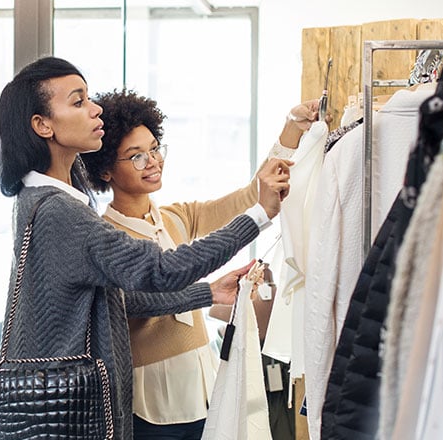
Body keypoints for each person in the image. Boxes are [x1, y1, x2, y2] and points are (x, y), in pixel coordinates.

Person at [0, 56, 292, 438]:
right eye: (78, 101)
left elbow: (123, 296)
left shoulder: (40, 199)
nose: (94, 109)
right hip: (95, 405)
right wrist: (258, 216)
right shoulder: (60, 212)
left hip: (84, 397)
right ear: (42, 125)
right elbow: (160, 270)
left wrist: (207, 292)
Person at [79, 88, 320, 439]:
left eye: (154, 150)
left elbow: (251, 196)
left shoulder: (175, 219)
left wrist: (292, 130)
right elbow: (133, 304)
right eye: (136, 157)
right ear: (105, 172)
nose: (153, 162)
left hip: (202, 387)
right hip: (150, 402)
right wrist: (207, 293)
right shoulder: (106, 236)